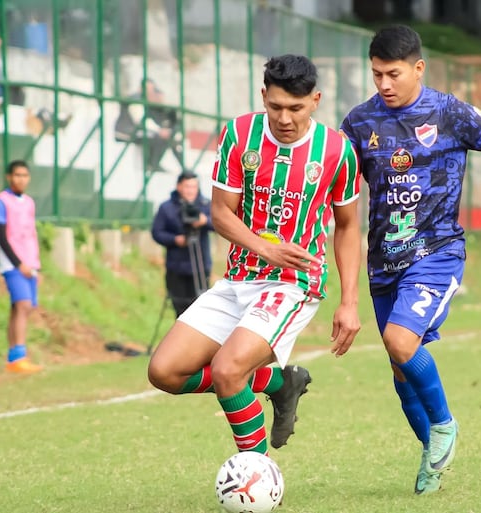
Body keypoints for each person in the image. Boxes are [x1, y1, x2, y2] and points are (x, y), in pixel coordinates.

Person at [340, 25, 481, 495]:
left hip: (436, 253)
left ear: (418, 68)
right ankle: (431, 458)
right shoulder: (359, 123)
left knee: (400, 341)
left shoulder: (449, 112)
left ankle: (445, 424)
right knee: (400, 371)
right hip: (384, 264)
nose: (384, 85)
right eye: (376, 75)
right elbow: (338, 192)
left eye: (393, 74)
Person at [147, 54, 362, 456]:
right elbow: (220, 213)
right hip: (238, 280)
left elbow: (348, 226)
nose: (285, 118)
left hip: (294, 284)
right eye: (276, 106)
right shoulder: (239, 135)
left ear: (315, 100)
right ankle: (280, 383)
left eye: (296, 108)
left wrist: (349, 302)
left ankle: (256, 477)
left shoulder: (337, 151)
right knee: (165, 372)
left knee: (229, 372)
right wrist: (266, 249)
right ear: (263, 96)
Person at [0, 160, 43, 374]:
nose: (21, 179)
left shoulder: (29, 202)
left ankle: (13, 357)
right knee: (23, 305)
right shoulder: (1, 201)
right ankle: (19, 357)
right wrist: (18, 263)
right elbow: (1, 236)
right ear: (9, 177)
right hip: (12, 263)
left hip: (30, 263)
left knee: (20, 308)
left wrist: (35, 264)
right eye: (17, 175)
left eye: (25, 175)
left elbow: (29, 234)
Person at [151, 170, 213, 317]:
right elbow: (157, 232)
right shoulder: (166, 207)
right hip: (176, 266)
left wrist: (205, 221)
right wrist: (175, 240)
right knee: (180, 308)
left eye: (193, 187)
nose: (190, 190)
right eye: (187, 186)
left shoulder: (206, 205)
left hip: (200, 265)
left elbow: (220, 225)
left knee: (202, 308)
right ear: (179, 187)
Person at [114, 79, 182, 173]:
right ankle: (152, 165)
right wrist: (159, 131)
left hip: (134, 131)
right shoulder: (136, 99)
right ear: (140, 88)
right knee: (159, 137)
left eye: (151, 89)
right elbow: (140, 120)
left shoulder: (143, 101)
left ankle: (179, 167)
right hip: (125, 132)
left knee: (168, 138)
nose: (149, 91)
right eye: (147, 89)